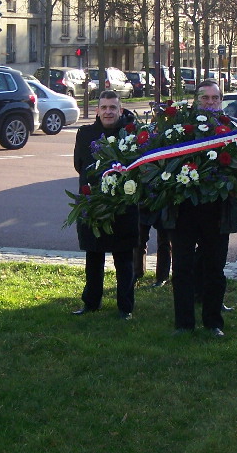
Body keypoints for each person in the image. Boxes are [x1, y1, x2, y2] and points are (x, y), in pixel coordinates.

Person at [163, 80, 237, 337]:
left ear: (221, 101)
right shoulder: (180, 129)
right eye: (204, 98)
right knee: (183, 269)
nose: (209, 102)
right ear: (196, 100)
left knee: (215, 270)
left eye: (214, 98)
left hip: (217, 213)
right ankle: (184, 324)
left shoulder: (231, 129)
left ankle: (213, 323)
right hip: (183, 212)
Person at [72, 90, 138, 319]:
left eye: (113, 107)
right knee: (93, 255)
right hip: (93, 203)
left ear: (120, 110)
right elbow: (79, 164)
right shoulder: (85, 134)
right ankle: (91, 302)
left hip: (123, 205)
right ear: (97, 110)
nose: (108, 111)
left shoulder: (130, 133)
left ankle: (125, 307)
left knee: (124, 259)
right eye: (104, 107)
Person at [133, 208, 171, 287]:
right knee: (139, 240)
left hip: (163, 205)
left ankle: (162, 277)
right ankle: (137, 273)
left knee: (164, 243)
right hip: (144, 205)